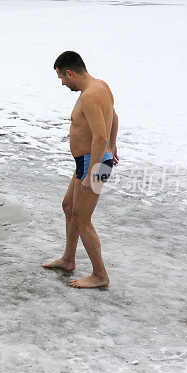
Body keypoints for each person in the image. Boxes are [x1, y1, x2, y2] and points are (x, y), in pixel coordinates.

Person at [42, 51, 118, 288]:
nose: (63, 83)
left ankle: (100, 275)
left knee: (82, 219)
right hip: (91, 161)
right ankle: (68, 259)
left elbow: (99, 136)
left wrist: (91, 172)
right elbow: (113, 117)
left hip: (93, 163)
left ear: (70, 73)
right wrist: (113, 145)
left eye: (62, 78)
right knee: (68, 207)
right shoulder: (101, 86)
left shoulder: (89, 96)